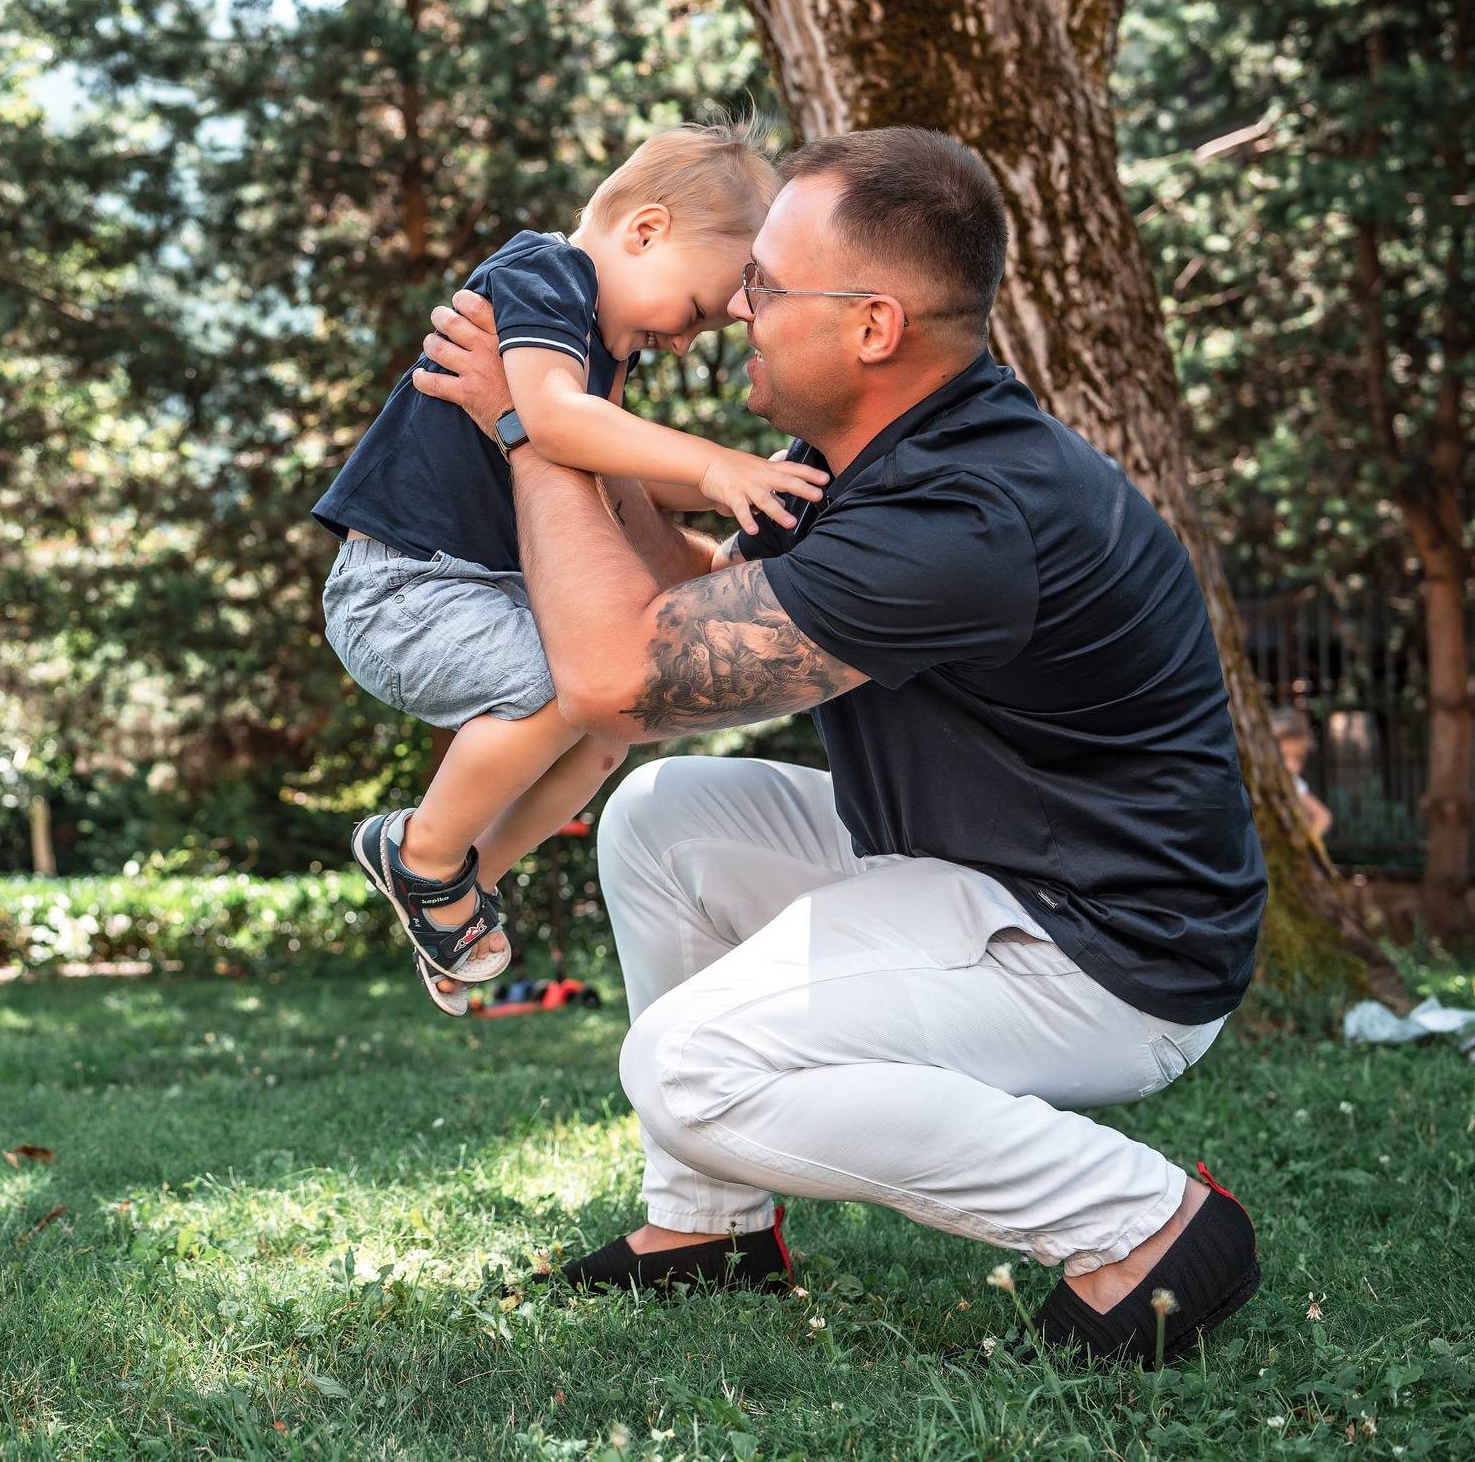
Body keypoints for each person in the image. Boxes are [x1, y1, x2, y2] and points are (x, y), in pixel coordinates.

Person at [413, 127, 1264, 1365]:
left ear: (873, 326)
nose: (734, 309)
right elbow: (700, 603)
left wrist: (534, 428)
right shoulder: (866, 462)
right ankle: (706, 1230)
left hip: (1102, 950)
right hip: (963, 867)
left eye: (765, 284)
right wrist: (608, 457)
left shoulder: (963, 517)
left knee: (686, 1069)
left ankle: (1147, 1224)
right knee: (663, 823)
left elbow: (610, 682)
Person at [313, 124, 828, 1014]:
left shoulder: (603, 340)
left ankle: (455, 895)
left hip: (473, 587)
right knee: (569, 683)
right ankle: (421, 855)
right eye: (699, 311)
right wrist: (715, 466)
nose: (688, 341)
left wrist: (741, 493)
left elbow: (611, 466)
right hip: (402, 589)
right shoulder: (543, 277)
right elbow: (551, 421)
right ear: (645, 231)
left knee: (603, 730)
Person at [1270, 706, 1334, 841]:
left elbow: (1323, 816)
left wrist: (1305, 843)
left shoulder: (1295, 784)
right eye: (1284, 757)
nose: (1291, 766)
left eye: (1298, 758)